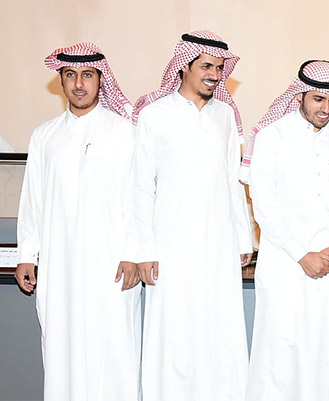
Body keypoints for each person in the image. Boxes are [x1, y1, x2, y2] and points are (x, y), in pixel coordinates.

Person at [128, 31, 253, 401]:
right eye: (206, 66)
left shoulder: (225, 116)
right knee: (174, 330)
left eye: (219, 68)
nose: (214, 74)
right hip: (170, 243)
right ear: (184, 66)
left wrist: (243, 238)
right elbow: (140, 186)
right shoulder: (154, 115)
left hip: (219, 242)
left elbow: (232, 181)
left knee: (220, 327)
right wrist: (143, 249)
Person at [15, 42, 141, 400]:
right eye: (70, 75)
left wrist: (133, 253)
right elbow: (33, 200)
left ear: (101, 80)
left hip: (111, 263)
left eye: (87, 75)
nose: (79, 84)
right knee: (61, 345)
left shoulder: (124, 132)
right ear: (61, 81)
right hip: (60, 265)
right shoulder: (44, 136)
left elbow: (138, 198)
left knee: (114, 347)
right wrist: (27, 255)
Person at [240, 60, 329, 400]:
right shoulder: (271, 136)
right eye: (318, 99)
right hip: (286, 264)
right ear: (299, 96)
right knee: (284, 352)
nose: (327, 108)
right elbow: (264, 207)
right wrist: (302, 255)